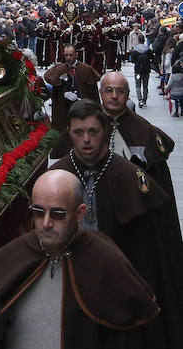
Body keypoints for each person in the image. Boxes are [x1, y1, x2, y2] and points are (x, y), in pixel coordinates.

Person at [0, 170, 159, 349]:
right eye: (38, 212)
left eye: (57, 213)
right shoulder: (11, 255)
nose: (46, 223)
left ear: (80, 213)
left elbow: (133, 330)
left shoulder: (105, 258)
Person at [51, 100, 183, 347]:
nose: (86, 140)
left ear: (105, 132)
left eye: (93, 132)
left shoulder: (131, 177)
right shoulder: (58, 176)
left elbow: (151, 248)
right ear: (69, 133)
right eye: (79, 133)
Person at [99, 71, 177, 205]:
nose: (114, 96)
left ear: (128, 94)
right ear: (101, 93)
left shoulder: (145, 129)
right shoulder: (88, 125)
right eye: (109, 90)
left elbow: (160, 182)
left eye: (120, 91)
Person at [42, 43, 99, 138]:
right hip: (64, 111)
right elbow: (49, 78)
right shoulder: (59, 69)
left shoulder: (85, 69)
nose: (68, 58)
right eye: (66, 55)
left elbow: (93, 93)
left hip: (82, 110)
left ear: (76, 55)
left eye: (71, 55)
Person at [128, 37, 153, 106]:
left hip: (138, 70)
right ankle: (145, 100)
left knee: (138, 85)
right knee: (145, 85)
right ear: (144, 41)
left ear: (138, 41)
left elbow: (133, 61)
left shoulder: (135, 50)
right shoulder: (148, 50)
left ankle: (140, 100)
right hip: (146, 69)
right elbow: (152, 59)